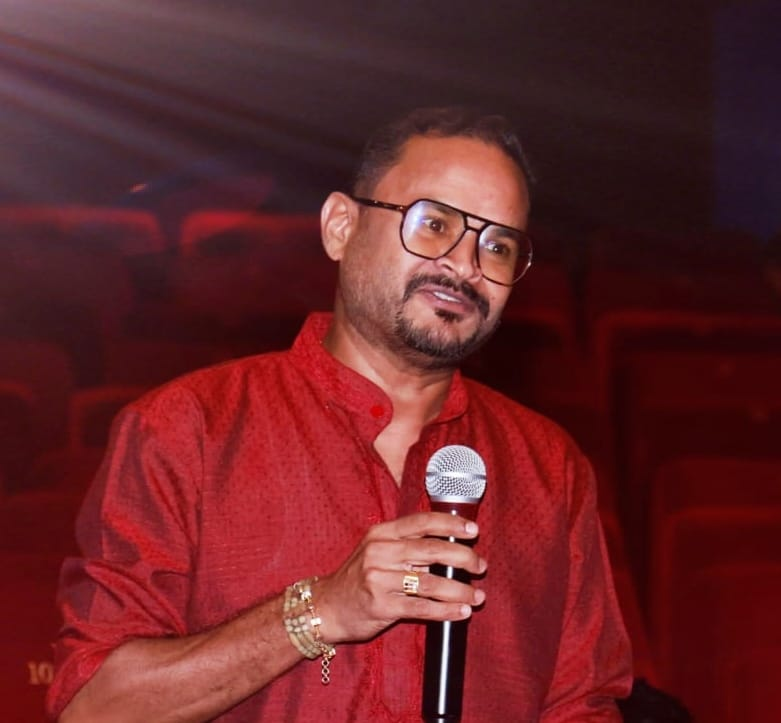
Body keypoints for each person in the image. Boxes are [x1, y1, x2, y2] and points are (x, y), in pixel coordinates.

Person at [47, 106, 632, 721]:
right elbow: (92, 710)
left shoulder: (550, 468)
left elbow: (583, 705)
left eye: (499, 245)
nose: (464, 266)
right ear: (340, 227)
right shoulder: (186, 428)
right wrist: (318, 611)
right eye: (434, 223)